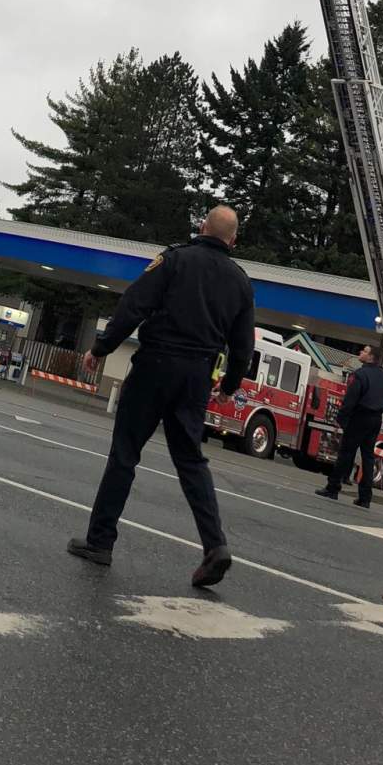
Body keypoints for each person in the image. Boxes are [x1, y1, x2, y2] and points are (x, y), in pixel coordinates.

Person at [66, 205, 255, 589]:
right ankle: (215, 545)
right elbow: (243, 346)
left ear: (202, 226)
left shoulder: (174, 260)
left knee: (125, 453)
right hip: (198, 375)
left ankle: (100, 542)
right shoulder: (240, 282)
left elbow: (134, 305)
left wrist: (101, 348)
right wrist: (230, 384)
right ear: (233, 240)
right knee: (191, 461)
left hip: (156, 364)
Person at [315, 343, 383, 509]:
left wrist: (342, 419)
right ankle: (365, 497)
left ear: (371, 357)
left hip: (359, 417)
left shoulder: (360, 375)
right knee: (368, 457)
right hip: (376, 420)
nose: (361, 352)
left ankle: (333, 487)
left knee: (345, 453)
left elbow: (350, 399)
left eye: (364, 351)